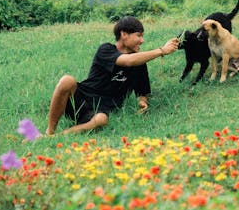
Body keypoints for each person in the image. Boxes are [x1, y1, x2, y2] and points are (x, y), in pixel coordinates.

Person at [46, 16, 179, 135]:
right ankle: (50, 131)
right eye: (138, 35)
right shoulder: (106, 49)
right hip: (82, 98)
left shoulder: (139, 62)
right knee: (67, 80)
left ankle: (57, 137)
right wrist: (162, 50)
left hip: (102, 109)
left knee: (101, 120)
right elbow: (127, 61)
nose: (142, 40)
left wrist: (142, 102)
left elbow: (142, 91)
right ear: (124, 34)